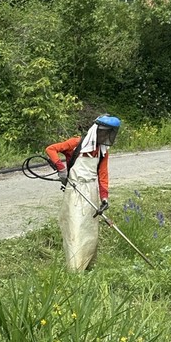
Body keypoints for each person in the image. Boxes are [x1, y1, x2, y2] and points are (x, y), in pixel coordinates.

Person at [45, 114, 121, 271]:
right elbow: (51, 149)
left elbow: (103, 175)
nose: (106, 136)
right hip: (74, 189)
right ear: (96, 130)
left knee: (89, 228)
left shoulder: (102, 152)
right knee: (75, 226)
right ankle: (74, 268)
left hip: (91, 190)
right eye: (104, 132)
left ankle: (87, 264)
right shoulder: (76, 144)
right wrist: (61, 169)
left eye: (109, 133)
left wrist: (104, 198)